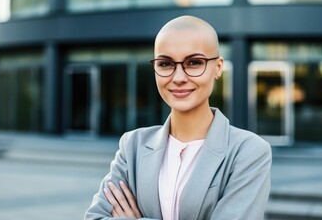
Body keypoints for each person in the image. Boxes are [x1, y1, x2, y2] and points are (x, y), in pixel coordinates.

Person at [84, 15, 272, 220]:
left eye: (194, 62)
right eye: (165, 64)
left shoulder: (248, 152)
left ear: (217, 68)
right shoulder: (133, 146)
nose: (179, 78)